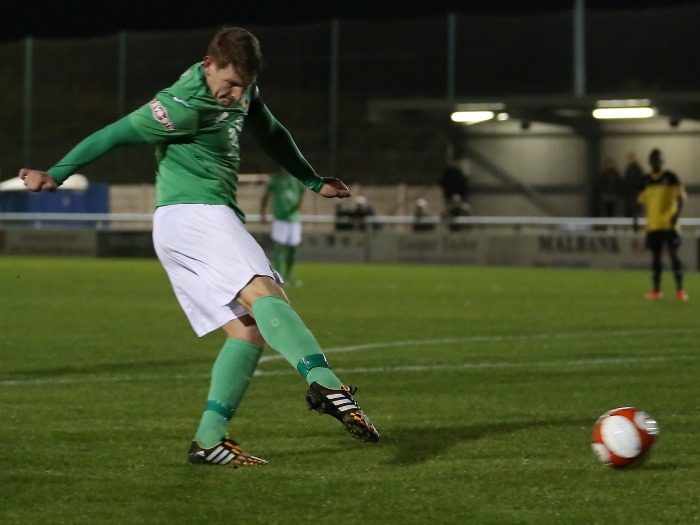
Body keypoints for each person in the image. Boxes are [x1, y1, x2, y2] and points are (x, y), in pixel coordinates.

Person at [18, 27, 379, 468]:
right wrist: (55, 173)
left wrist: (313, 180)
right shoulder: (177, 105)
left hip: (191, 221)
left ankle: (209, 441)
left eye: (241, 87)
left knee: (248, 330)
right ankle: (328, 385)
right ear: (209, 65)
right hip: (195, 215)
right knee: (265, 292)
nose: (233, 95)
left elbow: (272, 133)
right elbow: (114, 134)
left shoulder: (244, 91)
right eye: (227, 84)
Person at [634, 148, 688, 301]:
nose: (656, 161)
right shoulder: (645, 181)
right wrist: (635, 219)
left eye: (659, 159)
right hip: (653, 225)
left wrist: (676, 216)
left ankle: (680, 290)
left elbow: (681, 198)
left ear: (663, 161)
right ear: (649, 161)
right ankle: (656, 291)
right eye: (654, 159)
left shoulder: (671, 177)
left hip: (669, 225)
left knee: (673, 255)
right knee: (656, 257)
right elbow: (640, 202)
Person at [260, 168, 305, 285]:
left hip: (294, 219)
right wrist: (263, 213)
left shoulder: (297, 180)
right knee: (279, 247)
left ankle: (288, 276)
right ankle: (278, 276)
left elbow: (301, 194)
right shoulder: (276, 179)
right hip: (280, 218)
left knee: (293, 248)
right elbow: (266, 196)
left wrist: (296, 208)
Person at [621, 152, 645, 217]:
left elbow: (641, 181)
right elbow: (625, 181)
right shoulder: (628, 169)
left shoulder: (637, 169)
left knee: (635, 211)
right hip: (629, 194)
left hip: (635, 193)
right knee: (629, 211)